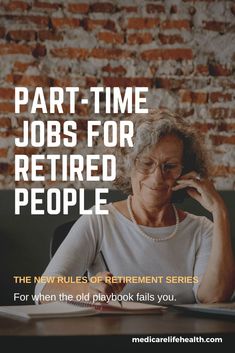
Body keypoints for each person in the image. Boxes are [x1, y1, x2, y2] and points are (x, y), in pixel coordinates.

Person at [35, 109, 235, 305]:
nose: (157, 177)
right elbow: (44, 290)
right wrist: (89, 291)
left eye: (170, 166)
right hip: (114, 337)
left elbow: (213, 297)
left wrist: (220, 212)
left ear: (186, 173)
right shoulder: (99, 220)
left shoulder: (203, 230)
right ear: (127, 165)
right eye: (146, 163)